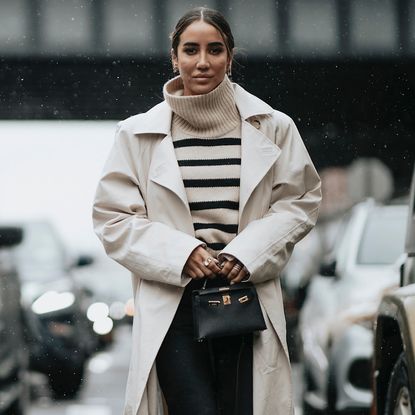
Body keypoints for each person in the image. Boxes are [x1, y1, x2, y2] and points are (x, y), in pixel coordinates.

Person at [93, 6, 321, 415]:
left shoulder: (274, 126)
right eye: (190, 50)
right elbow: (113, 218)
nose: (202, 62)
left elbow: (300, 200)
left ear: (230, 57)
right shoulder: (135, 134)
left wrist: (245, 253)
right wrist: (183, 254)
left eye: (215, 50)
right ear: (174, 57)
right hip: (173, 304)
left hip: (245, 297)